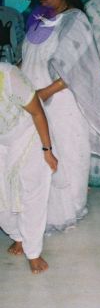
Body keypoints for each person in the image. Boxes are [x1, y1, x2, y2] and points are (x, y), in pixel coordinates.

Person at [20, 0, 100, 233]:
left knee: (67, 154)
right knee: (36, 156)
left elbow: (82, 67)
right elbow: (28, 59)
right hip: (33, 99)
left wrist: (46, 92)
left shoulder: (76, 20)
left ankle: (68, 212)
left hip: (61, 101)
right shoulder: (38, 18)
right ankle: (37, 212)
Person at [0, 63, 58, 273]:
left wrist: (47, 150)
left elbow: (38, 113)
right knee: (2, 195)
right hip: (2, 140)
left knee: (32, 193)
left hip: (29, 133)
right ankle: (18, 236)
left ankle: (33, 251)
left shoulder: (9, 76)